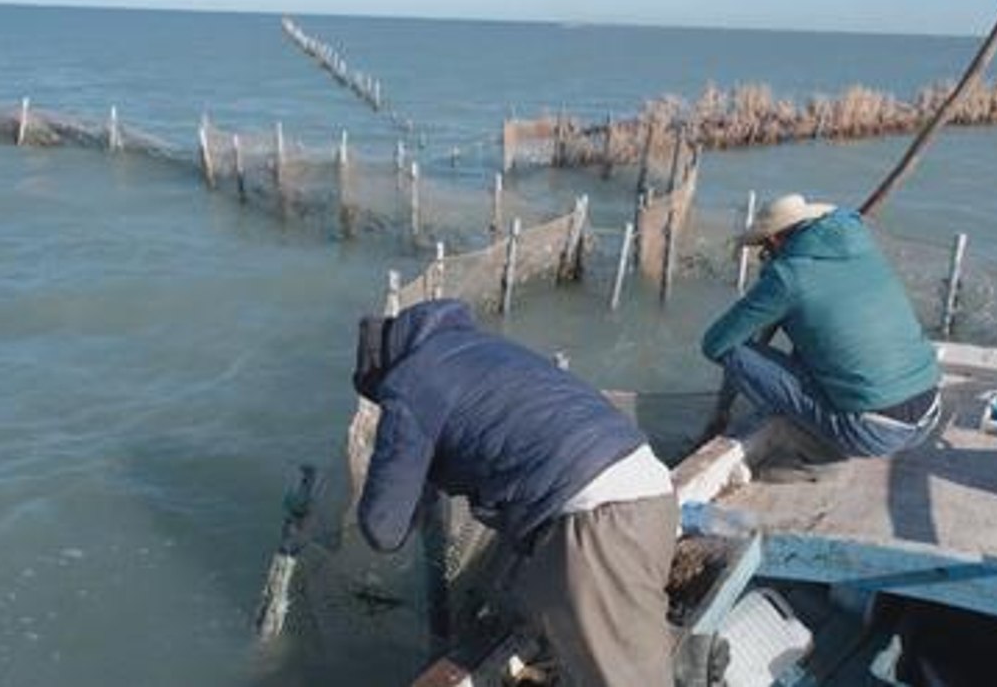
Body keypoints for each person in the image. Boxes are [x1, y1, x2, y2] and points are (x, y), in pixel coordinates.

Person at [352, 298, 678, 687]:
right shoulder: (480, 349)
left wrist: (414, 468)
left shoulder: (408, 386)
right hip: (649, 490)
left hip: (598, 518)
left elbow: (383, 528)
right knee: (612, 643)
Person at [702, 193, 942, 461]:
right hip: (929, 412)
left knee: (734, 352)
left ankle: (810, 448)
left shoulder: (787, 276)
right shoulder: (866, 252)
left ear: (775, 240)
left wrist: (768, 288)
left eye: (763, 249)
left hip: (873, 432)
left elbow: (715, 343)